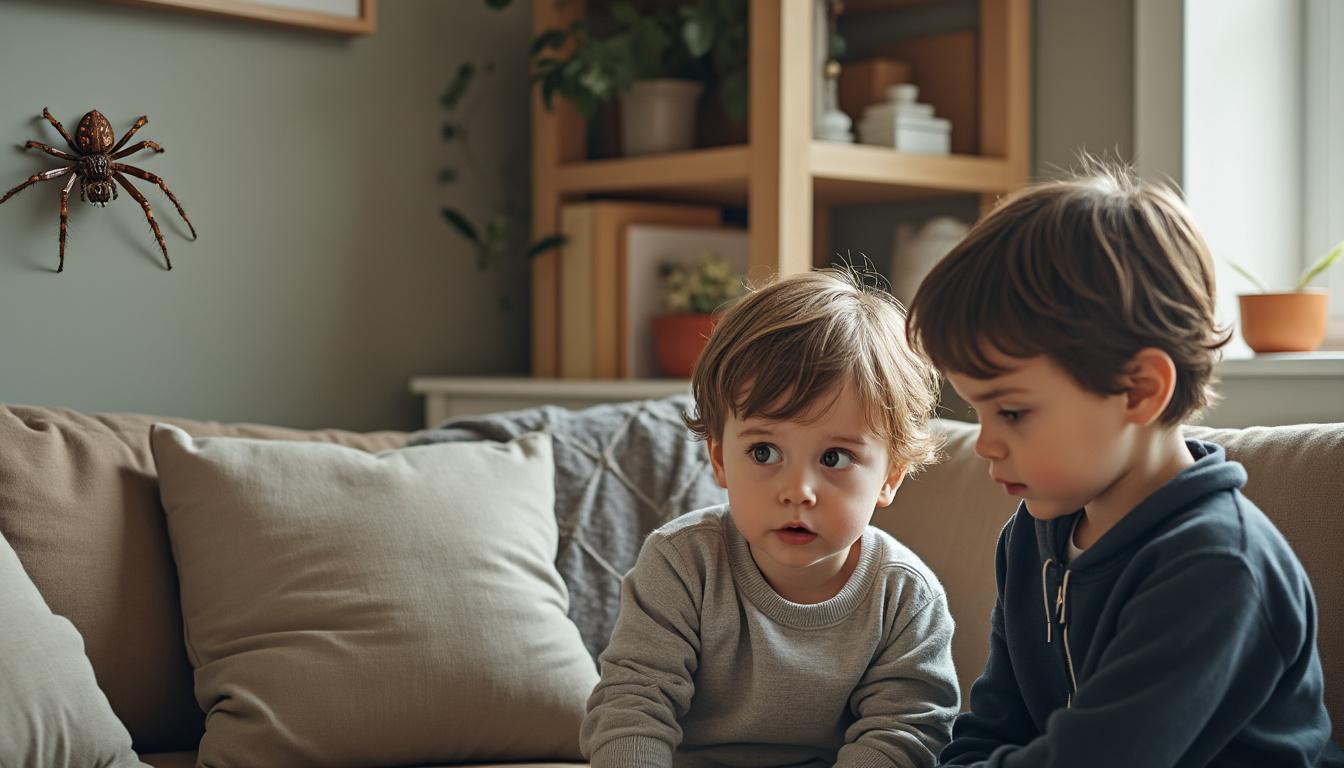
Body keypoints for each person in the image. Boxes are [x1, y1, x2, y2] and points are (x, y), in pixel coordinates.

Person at [904, 164, 1340, 767]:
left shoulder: (1217, 565)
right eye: (977, 412)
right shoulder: (1031, 536)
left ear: (1139, 390)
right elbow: (992, 727)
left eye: (1011, 412)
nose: (985, 444)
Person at [580, 268, 960, 767]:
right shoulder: (682, 563)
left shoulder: (905, 596)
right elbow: (633, 707)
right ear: (720, 459)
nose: (797, 491)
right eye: (764, 452)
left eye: (834, 458)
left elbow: (905, 733)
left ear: (890, 477)